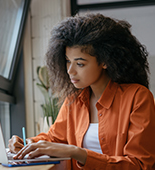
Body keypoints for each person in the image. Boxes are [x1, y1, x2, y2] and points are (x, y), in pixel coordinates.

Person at [8, 13, 155, 170]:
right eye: (68, 61)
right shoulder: (74, 100)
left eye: (80, 64)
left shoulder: (138, 97)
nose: (70, 71)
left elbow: (140, 165)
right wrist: (27, 143)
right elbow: (54, 139)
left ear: (105, 61)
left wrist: (77, 152)